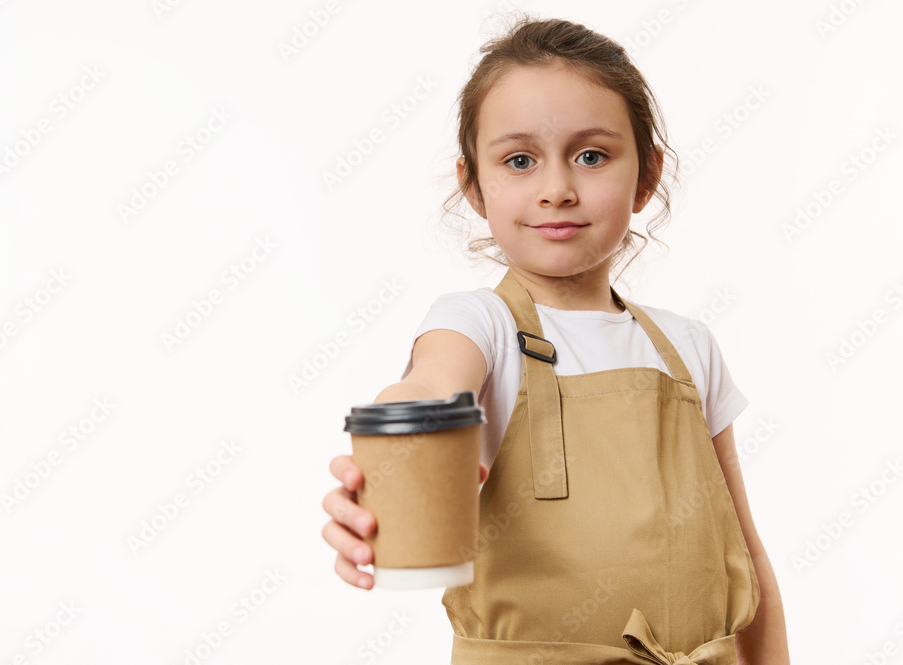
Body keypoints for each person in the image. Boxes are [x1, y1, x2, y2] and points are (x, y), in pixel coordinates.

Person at [322, 15, 790, 664]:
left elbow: (744, 549)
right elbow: (432, 380)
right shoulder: (480, 324)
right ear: (474, 185)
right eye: (519, 160)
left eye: (591, 155)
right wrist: (389, 461)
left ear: (647, 176)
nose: (557, 190)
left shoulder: (690, 348)